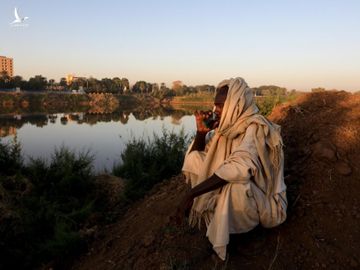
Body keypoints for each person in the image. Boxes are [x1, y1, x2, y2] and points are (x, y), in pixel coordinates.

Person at [176, 77, 287, 261]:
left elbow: (240, 167)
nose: (215, 111)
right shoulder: (226, 129)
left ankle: (238, 238)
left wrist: (191, 194)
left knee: (235, 186)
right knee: (196, 158)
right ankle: (216, 216)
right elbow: (197, 158)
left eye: (220, 105)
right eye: (215, 106)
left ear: (236, 103)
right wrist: (201, 133)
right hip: (241, 193)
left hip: (265, 202)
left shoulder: (256, 127)